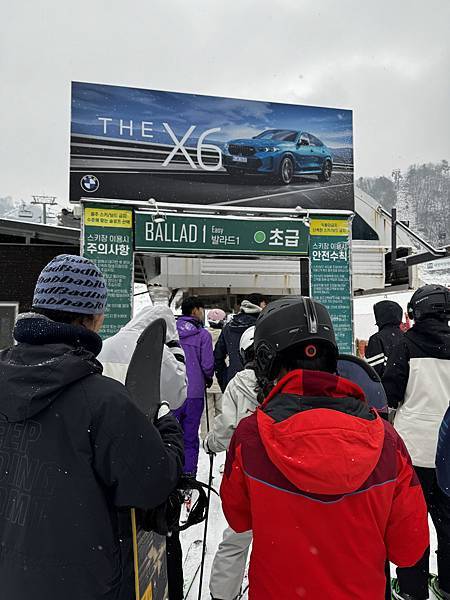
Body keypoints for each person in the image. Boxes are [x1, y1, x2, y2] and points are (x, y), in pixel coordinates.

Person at [0, 254, 184, 600]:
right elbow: (152, 482)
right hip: (83, 583)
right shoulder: (102, 400)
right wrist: (167, 428)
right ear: (95, 317)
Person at [221, 296, 429, 600]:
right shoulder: (387, 441)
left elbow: (238, 518)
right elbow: (408, 549)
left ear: (266, 361)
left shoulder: (250, 438)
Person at [97, 303, 187, 600]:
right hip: (147, 444)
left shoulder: (107, 344)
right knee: (156, 535)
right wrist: (176, 355)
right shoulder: (159, 352)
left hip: (107, 447)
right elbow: (178, 395)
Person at [383, 284, 450, 599]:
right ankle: (448, 584)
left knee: (412, 521)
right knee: (448, 521)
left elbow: (390, 393)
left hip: (414, 449)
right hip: (449, 450)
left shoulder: (406, 344)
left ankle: (412, 588)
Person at [204, 326, 258, 600]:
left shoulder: (239, 382)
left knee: (237, 537)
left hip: (244, 471)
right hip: (281, 471)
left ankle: (223, 595)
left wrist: (210, 443)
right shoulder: (284, 380)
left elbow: (226, 428)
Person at [98, 304, 187, 411]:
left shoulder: (104, 346)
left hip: (105, 417)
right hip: (140, 420)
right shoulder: (159, 352)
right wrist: (176, 351)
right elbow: (176, 397)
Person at [175, 296, 214, 476]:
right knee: (190, 436)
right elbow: (207, 364)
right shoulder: (202, 334)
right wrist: (208, 378)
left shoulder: (171, 332)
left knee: (170, 434)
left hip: (171, 392)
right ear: (195, 311)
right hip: (194, 392)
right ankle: (188, 475)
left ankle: (171, 471)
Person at [214, 293, 264, 392]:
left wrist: (225, 381)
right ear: (259, 305)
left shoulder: (228, 327)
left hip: (233, 382)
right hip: (258, 385)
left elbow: (217, 357)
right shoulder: (262, 326)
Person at [201, 308, 227, 440]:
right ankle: (220, 436)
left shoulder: (203, 335)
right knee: (222, 411)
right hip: (220, 380)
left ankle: (207, 436)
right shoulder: (225, 336)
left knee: (207, 412)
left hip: (206, 380)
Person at [366, 300, 404, 376]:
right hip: (407, 386)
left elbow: (372, 372)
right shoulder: (406, 337)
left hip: (385, 386)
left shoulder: (377, 339)